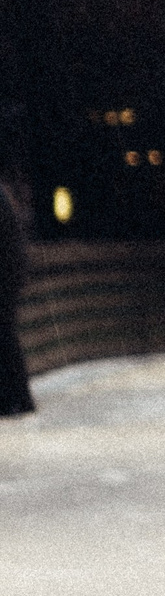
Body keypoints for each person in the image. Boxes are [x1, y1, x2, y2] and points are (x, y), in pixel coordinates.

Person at [0, 176, 33, 417]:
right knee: (6, 334)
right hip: (11, 269)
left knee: (4, 334)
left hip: (6, 271)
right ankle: (19, 397)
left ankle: (12, 398)